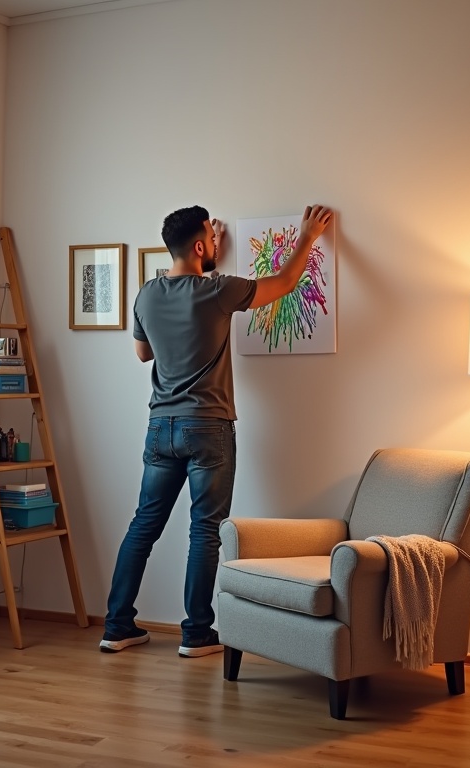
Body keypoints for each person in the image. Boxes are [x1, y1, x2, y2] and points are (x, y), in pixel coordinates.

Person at [100, 203, 334, 657]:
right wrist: (306, 236)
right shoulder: (219, 291)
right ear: (202, 245)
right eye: (209, 236)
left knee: (142, 526)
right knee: (204, 531)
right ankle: (196, 633)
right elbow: (284, 283)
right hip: (208, 428)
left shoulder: (146, 293)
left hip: (159, 427)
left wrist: (207, 267)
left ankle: (117, 626)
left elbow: (143, 354)